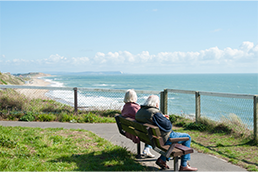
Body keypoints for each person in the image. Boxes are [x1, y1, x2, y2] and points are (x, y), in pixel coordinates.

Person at [135, 95, 198, 171]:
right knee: (187, 137)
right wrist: (165, 118)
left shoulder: (140, 111)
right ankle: (184, 165)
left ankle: (162, 159)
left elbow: (151, 120)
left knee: (178, 138)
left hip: (148, 138)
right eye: (158, 103)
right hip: (164, 138)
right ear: (155, 104)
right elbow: (168, 127)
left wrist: (161, 118)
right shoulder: (154, 113)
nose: (158, 104)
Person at [121, 89, 155, 158]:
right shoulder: (135, 107)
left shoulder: (125, 106)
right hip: (137, 132)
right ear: (134, 97)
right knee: (151, 130)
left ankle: (146, 149)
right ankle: (147, 149)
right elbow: (142, 117)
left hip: (129, 130)